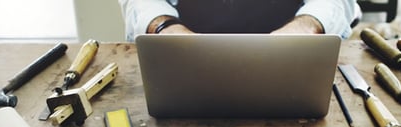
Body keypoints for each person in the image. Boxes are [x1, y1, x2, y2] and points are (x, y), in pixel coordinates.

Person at [119, 0, 360, 42]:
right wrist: (166, 29)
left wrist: (307, 26)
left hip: (288, 60)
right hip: (189, 59)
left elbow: (335, 2)